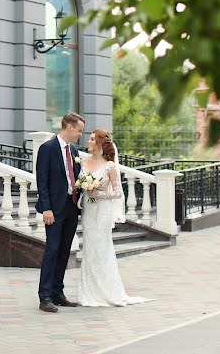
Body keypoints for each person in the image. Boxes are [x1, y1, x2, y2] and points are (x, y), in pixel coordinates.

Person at [76, 129, 148, 307]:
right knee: (89, 247)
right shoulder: (84, 161)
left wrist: (96, 192)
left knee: (102, 248)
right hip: (88, 210)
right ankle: (89, 292)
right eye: (89, 139)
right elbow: (79, 184)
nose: (89, 142)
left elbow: (116, 193)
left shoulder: (110, 166)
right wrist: (86, 189)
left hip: (103, 210)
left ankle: (107, 291)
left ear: (101, 143)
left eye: (93, 139)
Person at [35, 112, 85, 313]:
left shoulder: (73, 149)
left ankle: (58, 292)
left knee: (65, 250)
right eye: (79, 130)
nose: (80, 134)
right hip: (54, 209)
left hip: (71, 206)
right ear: (69, 127)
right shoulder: (47, 148)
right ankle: (44, 296)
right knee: (52, 249)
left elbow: (76, 176)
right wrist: (46, 207)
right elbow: (42, 179)